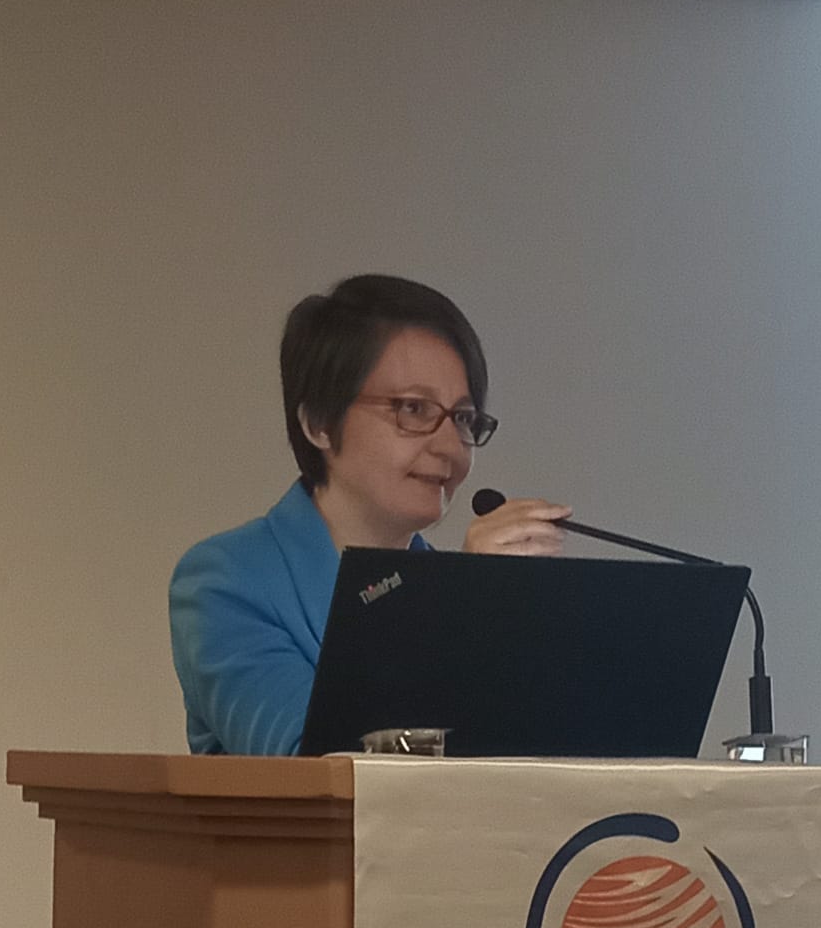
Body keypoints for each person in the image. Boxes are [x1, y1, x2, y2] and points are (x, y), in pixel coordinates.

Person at [169, 274, 569, 755]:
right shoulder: (227, 580)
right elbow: (312, 759)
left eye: (463, 418)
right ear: (319, 422)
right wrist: (462, 611)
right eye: (413, 409)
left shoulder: (444, 589)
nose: (449, 447)